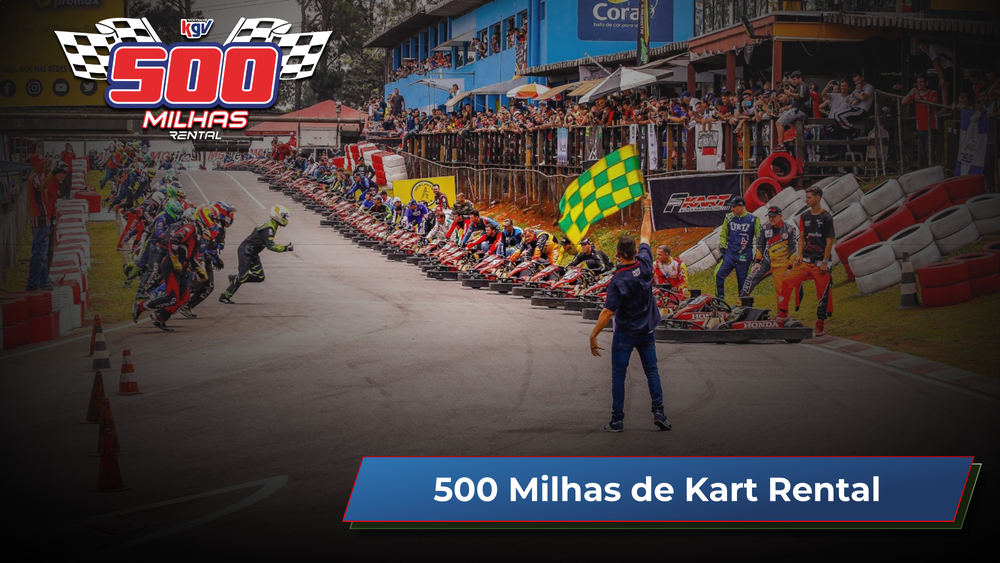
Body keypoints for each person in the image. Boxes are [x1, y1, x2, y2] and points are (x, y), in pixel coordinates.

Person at [589, 196, 670, 433]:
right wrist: (647, 207)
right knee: (652, 371)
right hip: (646, 330)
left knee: (619, 375)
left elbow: (608, 311)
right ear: (635, 251)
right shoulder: (645, 263)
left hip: (625, 332)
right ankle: (659, 412)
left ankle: (617, 420)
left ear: (618, 254)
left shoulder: (618, 280)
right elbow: (646, 234)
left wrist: (593, 334)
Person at [778, 187, 835, 336]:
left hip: (820, 263)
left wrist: (825, 261)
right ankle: (781, 314)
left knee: (822, 294)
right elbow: (802, 238)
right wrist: (799, 255)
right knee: (787, 281)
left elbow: (829, 241)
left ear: (817, 198)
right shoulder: (804, 216)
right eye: (806, 197)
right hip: (805, 261)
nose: (806, 200)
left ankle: (820, 324)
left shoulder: (827, 218)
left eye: (809, 197)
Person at [219, 204, 293, 304]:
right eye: (284, 216)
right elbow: (270, 246)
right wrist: (286, 248)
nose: (285, 219)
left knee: (260, 277)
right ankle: (225, 296)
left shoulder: (272, 225)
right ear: (278, 215)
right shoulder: (269, 228)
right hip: (246, 252)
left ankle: (235, 278)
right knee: (243, 276)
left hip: (252, 253)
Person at [741, 206, 797, 303]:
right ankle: (741, 303)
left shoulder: (789, 229)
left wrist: (790, 267)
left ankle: (781, 310)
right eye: (769, 216)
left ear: (780, 216)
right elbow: (760, 245)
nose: (771, 219)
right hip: (767, 262)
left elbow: (793, 249)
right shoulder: (765, 228)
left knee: (781, 291)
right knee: (750, 279)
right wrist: (757, 262)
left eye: (773, 217)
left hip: (782, 264)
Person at [26, 161, 66, 291]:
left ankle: (44, 282)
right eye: (40, 164)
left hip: (44, 219)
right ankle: (33, 283)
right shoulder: (35, 178)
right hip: (40, 219)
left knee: (43, 254)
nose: (43, 166)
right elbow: (41, 188)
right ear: (34, 165)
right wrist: (52, 174)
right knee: (40, 254)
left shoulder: (41, 177)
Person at [715, 196, 760, 301]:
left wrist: (758, 257)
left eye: (734, 207)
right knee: (718, 275)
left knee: (742, 283)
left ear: (741, 206)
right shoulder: (728, 217)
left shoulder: (753, 219)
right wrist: (722, 249)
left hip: (745, 255)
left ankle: (742, 304)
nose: (732, 209)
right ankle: (720, 301)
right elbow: (723, 234)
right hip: (730, 254)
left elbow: (760, 239)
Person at [901, 75, 940, 168]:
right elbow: (903, 101)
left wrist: (921, 100)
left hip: (931, 126)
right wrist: (910, 94)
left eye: (921, 82)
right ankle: (926, 168)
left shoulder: (932, 93)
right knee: (923, 151)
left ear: (926, 83)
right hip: (920, 127)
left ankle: (933, 167)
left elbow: (934, 104)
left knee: (930, 150)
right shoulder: (916, 94)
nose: (919, 84)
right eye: (918, 82)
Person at [775, 70, 811, 149]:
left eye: (795, 79)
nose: (793, 81)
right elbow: (795, 103)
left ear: (800, 78)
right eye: (792, 80)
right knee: (782, 114)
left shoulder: (802, 85)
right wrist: (785, 108)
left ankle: (781, 144)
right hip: (798, 109)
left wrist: (790, 94)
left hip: (800, 110)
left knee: (779, 123)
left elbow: (800, 96)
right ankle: (797, 130)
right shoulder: (799, 86)